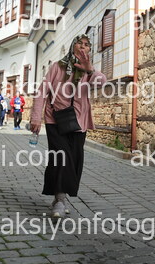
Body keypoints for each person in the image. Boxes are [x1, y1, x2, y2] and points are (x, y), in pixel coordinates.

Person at [30, 34, 106, 218]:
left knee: (73, 161)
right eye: (79, 43)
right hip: (55, 120)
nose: (83, 46)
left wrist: (89, 70)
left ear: (89, 49)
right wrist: (36, 118)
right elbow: (42, 91)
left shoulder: (88, 70)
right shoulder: (58, 67)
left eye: (87, 44)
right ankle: (60, 200)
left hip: (79, 122)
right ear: (73, 46)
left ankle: (59, 197)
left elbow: (102, 83)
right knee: (61, 158)